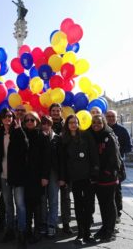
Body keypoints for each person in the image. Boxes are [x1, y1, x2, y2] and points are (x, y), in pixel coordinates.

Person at [62, 114, 99, 244]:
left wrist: (94, 172)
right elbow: (63, 161)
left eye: (75, 122)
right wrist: (65, 178)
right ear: (67, 125)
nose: (73, 124)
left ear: (78, 123)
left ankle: (88, 232)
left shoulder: (86, 135)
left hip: (88, 176)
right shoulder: (64, 139)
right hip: (75, 177)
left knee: (88, 205)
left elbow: (94, 154)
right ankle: (81, 233)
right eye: (70, 122)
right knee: (78, 205)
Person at [0, 108, 28, 248]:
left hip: (18, 176)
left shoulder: (18, 132)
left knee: (20, 205)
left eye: (10, 116)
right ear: (1, 119)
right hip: (3, 176)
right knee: (8, 205)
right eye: (5, 116)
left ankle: (22, 232)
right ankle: (10, 231)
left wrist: (20, 130)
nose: (7, 118)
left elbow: (26, 147)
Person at [91, 115, 121, 242]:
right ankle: (105, 227)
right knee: (103, 204)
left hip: (109, 177)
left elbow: (114, 158)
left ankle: (110, 230)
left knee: (109, 204)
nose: (96, 124)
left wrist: (108, 172)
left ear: (104, 123)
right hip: (99, 177)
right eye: (94, 123)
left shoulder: (109, 136)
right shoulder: (95, 136)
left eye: (99, 122)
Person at [23, 111, 51, 244]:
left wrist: (45, 176)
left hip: (38, 176)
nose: (29, 122)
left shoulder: (42, 136)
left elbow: (47, 159)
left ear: (37, 122)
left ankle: (37, 231)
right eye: (27, 120)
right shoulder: (21, 134)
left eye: (32, 120)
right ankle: (27, 229)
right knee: (27, 204)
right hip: (25, 176)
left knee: (37, 205)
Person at [49, 103, 72, 234]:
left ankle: (66, 223)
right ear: (50, 112)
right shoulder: (45, 125)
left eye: (58, 111)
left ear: (61, 112)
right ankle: (50, 222)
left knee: (65, 197)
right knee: (50, 197)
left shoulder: (66, 127)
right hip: (51, 167)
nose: (56, 113)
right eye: (53, 111)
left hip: (65, 166)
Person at [105, 110, 132, 223]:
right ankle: (108, 213)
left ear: (116, 117)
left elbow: (129, 147)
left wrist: (118, 153)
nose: (111, 118)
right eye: (108, 116)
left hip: (117, 166)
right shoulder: (103, 129)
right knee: (106, 192)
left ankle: (118, 213)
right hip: (104, 166)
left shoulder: (122, 130)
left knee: (117, 190)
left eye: (113, 116)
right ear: (105, 117)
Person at [40, 115, 65, 238]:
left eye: (47, 123)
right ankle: (44, 222)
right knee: (43, 200)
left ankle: (52, 224)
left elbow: (61, 159)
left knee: (53, 199)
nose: (45, 125)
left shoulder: (57, 138)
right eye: (43, 123)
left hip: (54, 173)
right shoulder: (38, 137)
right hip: (41, 173)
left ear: (51, 125)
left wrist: (61, 177)